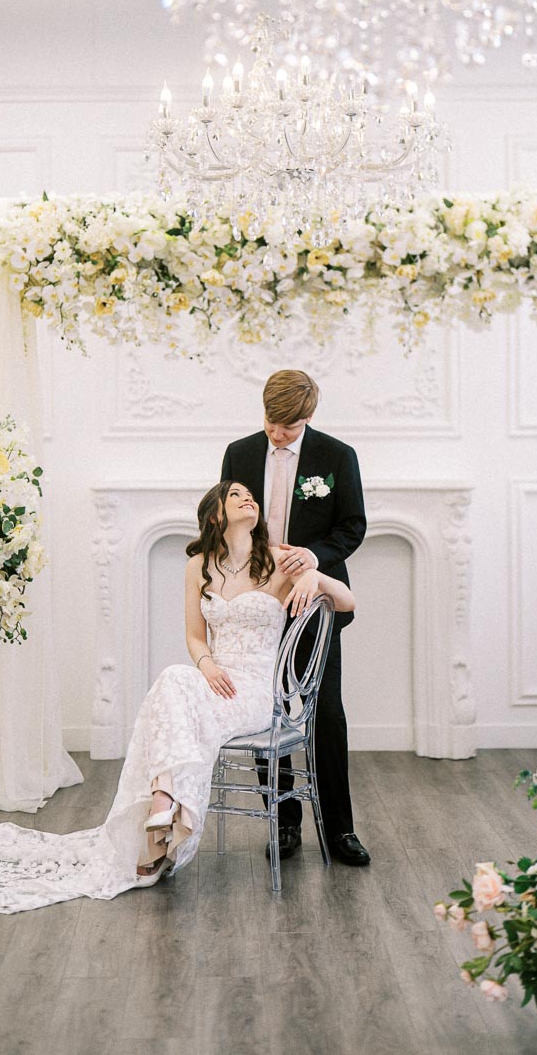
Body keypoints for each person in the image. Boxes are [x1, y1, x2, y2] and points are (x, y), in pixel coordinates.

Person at [0, 481, 354, 913]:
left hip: (257, 692)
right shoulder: (199, 565)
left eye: (250, 495)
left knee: (173, 693)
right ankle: (165, 807)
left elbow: (348, 601)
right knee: (174, 678)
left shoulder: (280, 559)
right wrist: (206, 665)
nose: (249, 499)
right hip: (214, 680)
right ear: (215, 517)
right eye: (236, 495)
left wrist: (315, 575)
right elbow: (194, 636)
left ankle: (160, 818)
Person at [221, 369, 370, 867]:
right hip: (259, 601)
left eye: (287, 426)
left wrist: (312, 558)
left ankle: (340, 828)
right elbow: (229, 521)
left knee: (325, 712)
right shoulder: (239, 454)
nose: (275, 433)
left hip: (315, 601)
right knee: (271, 711)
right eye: (269, 421)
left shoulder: (337, 456)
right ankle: (282, 824)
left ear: (308, 417)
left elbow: (353, 526)